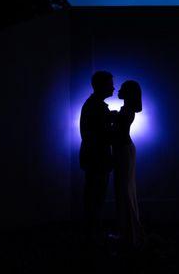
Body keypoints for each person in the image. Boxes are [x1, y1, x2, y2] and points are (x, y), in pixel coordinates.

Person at [79, 70, 115, 244]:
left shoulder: (92, 105)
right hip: (98, 158)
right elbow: (102, 135)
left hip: (92, 157)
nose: (113, 87)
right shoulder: (97, 107)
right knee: (97, 196)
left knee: (93, 195)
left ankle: (92, 234)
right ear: (101, 86)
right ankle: (95, 236)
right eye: (110, 84)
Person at [112, 80, 144, 249]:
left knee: (124, 191)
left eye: (123, 88)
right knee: (126, 190)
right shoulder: (126, 111)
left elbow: (117, 133)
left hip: (123, 151)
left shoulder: (126, 111)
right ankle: (128, 233)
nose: (119, 89)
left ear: (128, 93)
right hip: (124, 150)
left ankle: (129, 235)